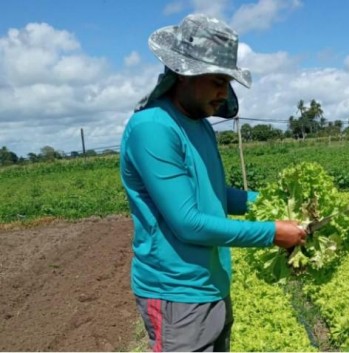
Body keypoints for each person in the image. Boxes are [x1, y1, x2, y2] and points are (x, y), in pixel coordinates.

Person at [120, 13, 307, 352]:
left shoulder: (200, 122)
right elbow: (188, 224)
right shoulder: (154, 128)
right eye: (217, 80)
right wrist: (273, 233)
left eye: (228, 82)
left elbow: (214, 194)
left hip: (212, 282)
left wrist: (271, 200)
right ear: (182, 74)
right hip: (176, 293)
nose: (225, 91)